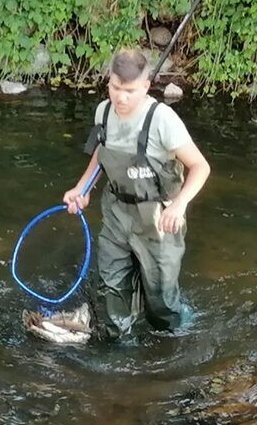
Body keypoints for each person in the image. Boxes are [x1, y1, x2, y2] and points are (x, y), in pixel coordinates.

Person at [63, 46, 211, 340]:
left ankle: (182, 337)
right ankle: (119, 356)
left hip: (158, 220)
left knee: (161, 306)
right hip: (117, 214)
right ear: (109, 81)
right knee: (111, 293)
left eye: (129, 90)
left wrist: (178, 205)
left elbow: (200, 167)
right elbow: (101, 155)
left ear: (145, 86)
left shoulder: (163, 120)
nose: (120, 97)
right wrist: (83, 188)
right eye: (115, 87)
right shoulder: (103, 112)